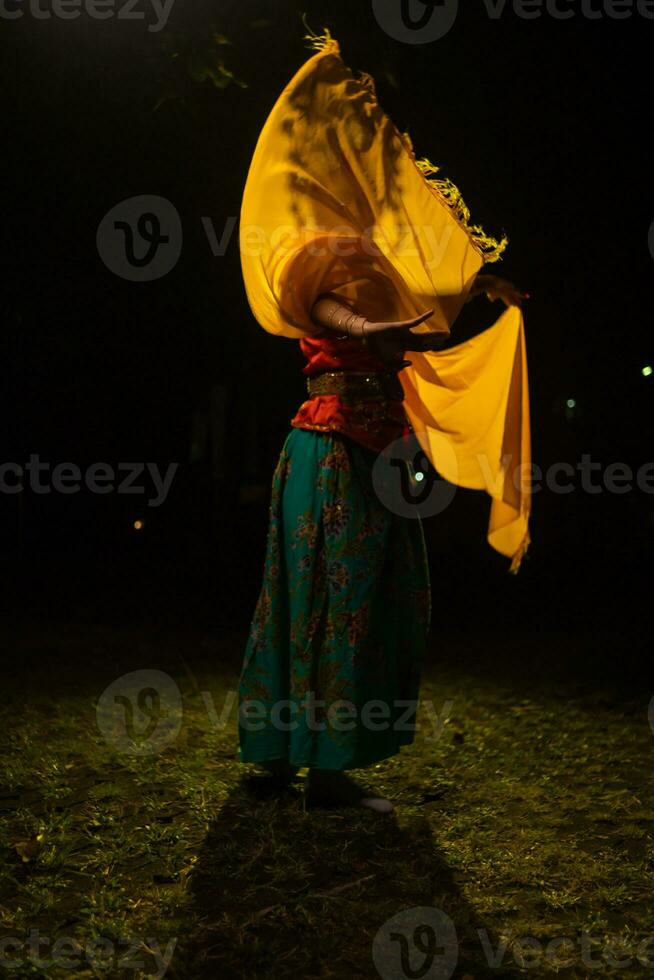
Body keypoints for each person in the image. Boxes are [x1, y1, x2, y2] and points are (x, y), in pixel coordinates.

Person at [237, 30, 531, 813]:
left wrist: (484, 292)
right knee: (321, 595)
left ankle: (311, 760)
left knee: (363, 596)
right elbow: (320, 303)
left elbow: (412, 326)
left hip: (376, 445)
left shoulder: (371, 245)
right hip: (332, 445)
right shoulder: (313, 237)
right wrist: (369, 333)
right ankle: (298, 764)